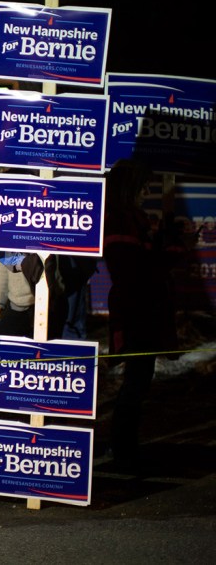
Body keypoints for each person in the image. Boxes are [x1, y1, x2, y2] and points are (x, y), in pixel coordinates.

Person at [103, 158, 185, 472]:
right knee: (136, 381)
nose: (146, 192)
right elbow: (135, 269)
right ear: (128, 188)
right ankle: (123, 450)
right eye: (142, 186)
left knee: (139, 380)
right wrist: (171, 250)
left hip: (144, 310)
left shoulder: (133, 218)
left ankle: (125, 447)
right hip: (136, 312)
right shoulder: (121, 220)